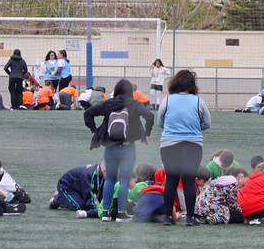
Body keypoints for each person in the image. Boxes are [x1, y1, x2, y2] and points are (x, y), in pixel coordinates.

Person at [83, 78, 155, 223]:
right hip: (128, 147)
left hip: (110, 148)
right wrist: (146, 132)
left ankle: (105, 213)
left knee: (109, 179)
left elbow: (88, 113)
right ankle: (121, 213)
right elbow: (150, 115)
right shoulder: (134, 104)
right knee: (124, 180)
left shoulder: (108, 104)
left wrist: (93, 130)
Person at [155, 69, 211, 225]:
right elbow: (207, 123)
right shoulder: (198, 101)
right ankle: (191, 218)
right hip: (192, 145)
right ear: (192, 85)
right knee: (189, 182)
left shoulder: (167, 100)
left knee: (171, 181)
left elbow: (160, 122)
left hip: (169, 145)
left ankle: (168, 217)